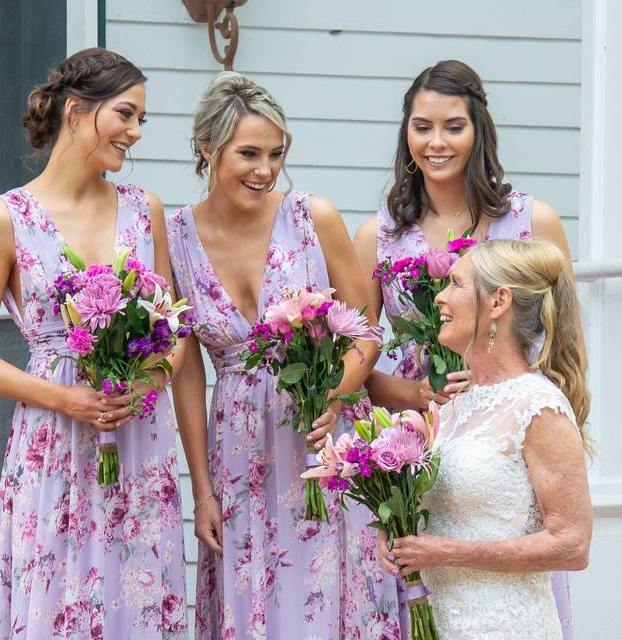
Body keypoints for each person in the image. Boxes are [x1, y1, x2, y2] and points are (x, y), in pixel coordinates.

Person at [0, 49, 188, 638]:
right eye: (126, 115)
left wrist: (146, 380)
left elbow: (173, 331)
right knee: (55, 602)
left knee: (134, 598)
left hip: (137, 439)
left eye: (141, 121)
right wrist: (64, 399)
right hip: (53, 443)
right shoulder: (3, 219)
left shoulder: (144, 210)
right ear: (78, 112)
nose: (135, 133)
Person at [167, 71, 400, 639]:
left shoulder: (311, 216)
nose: (266, 169)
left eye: (276, 153)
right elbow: (187, 374)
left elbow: (366, 328)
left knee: (335, 591)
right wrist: (202, 490)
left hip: (329, 438)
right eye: (249, 153)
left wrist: (337, 392)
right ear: (207, 148)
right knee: (256, 603)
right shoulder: (174, 237)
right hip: (240, 449)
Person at [352, 59, 578, 636]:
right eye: (421, 126)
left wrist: (538, 426)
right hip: (421, 449)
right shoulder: (377, 235)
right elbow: (357, 358)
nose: (435, 142)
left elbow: (565, 339)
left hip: (507, 445)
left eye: (453, 126)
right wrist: (415, 393)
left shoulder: (533, 220)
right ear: (405, 132)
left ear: (478, 129)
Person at [379, 239, 593, 640]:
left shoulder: (539, 406)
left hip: (505, 626)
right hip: (441, 623)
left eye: (456, 285)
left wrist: (446, 553)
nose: (439, 297)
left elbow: (572, 545)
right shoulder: (454, 405)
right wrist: (394, 529)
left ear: (499, 302)